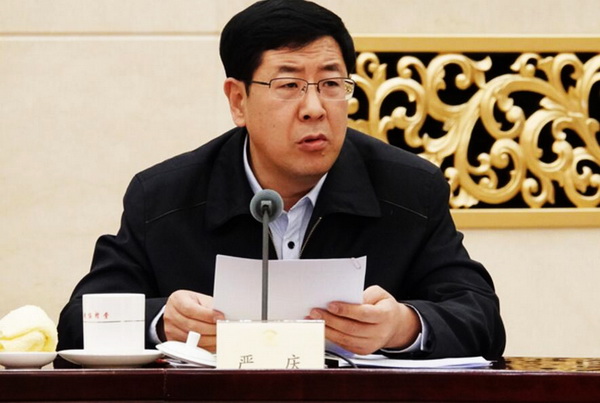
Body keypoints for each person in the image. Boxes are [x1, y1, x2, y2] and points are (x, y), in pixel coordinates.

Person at [57, 0, 505, 359]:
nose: (314, 108)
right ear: (238, 100)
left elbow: (482, 318)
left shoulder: (409, 189)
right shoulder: (163, 196)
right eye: (289, 85)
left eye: (331, 84)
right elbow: (77, 321)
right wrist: (163, 323)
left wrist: (401, 326)